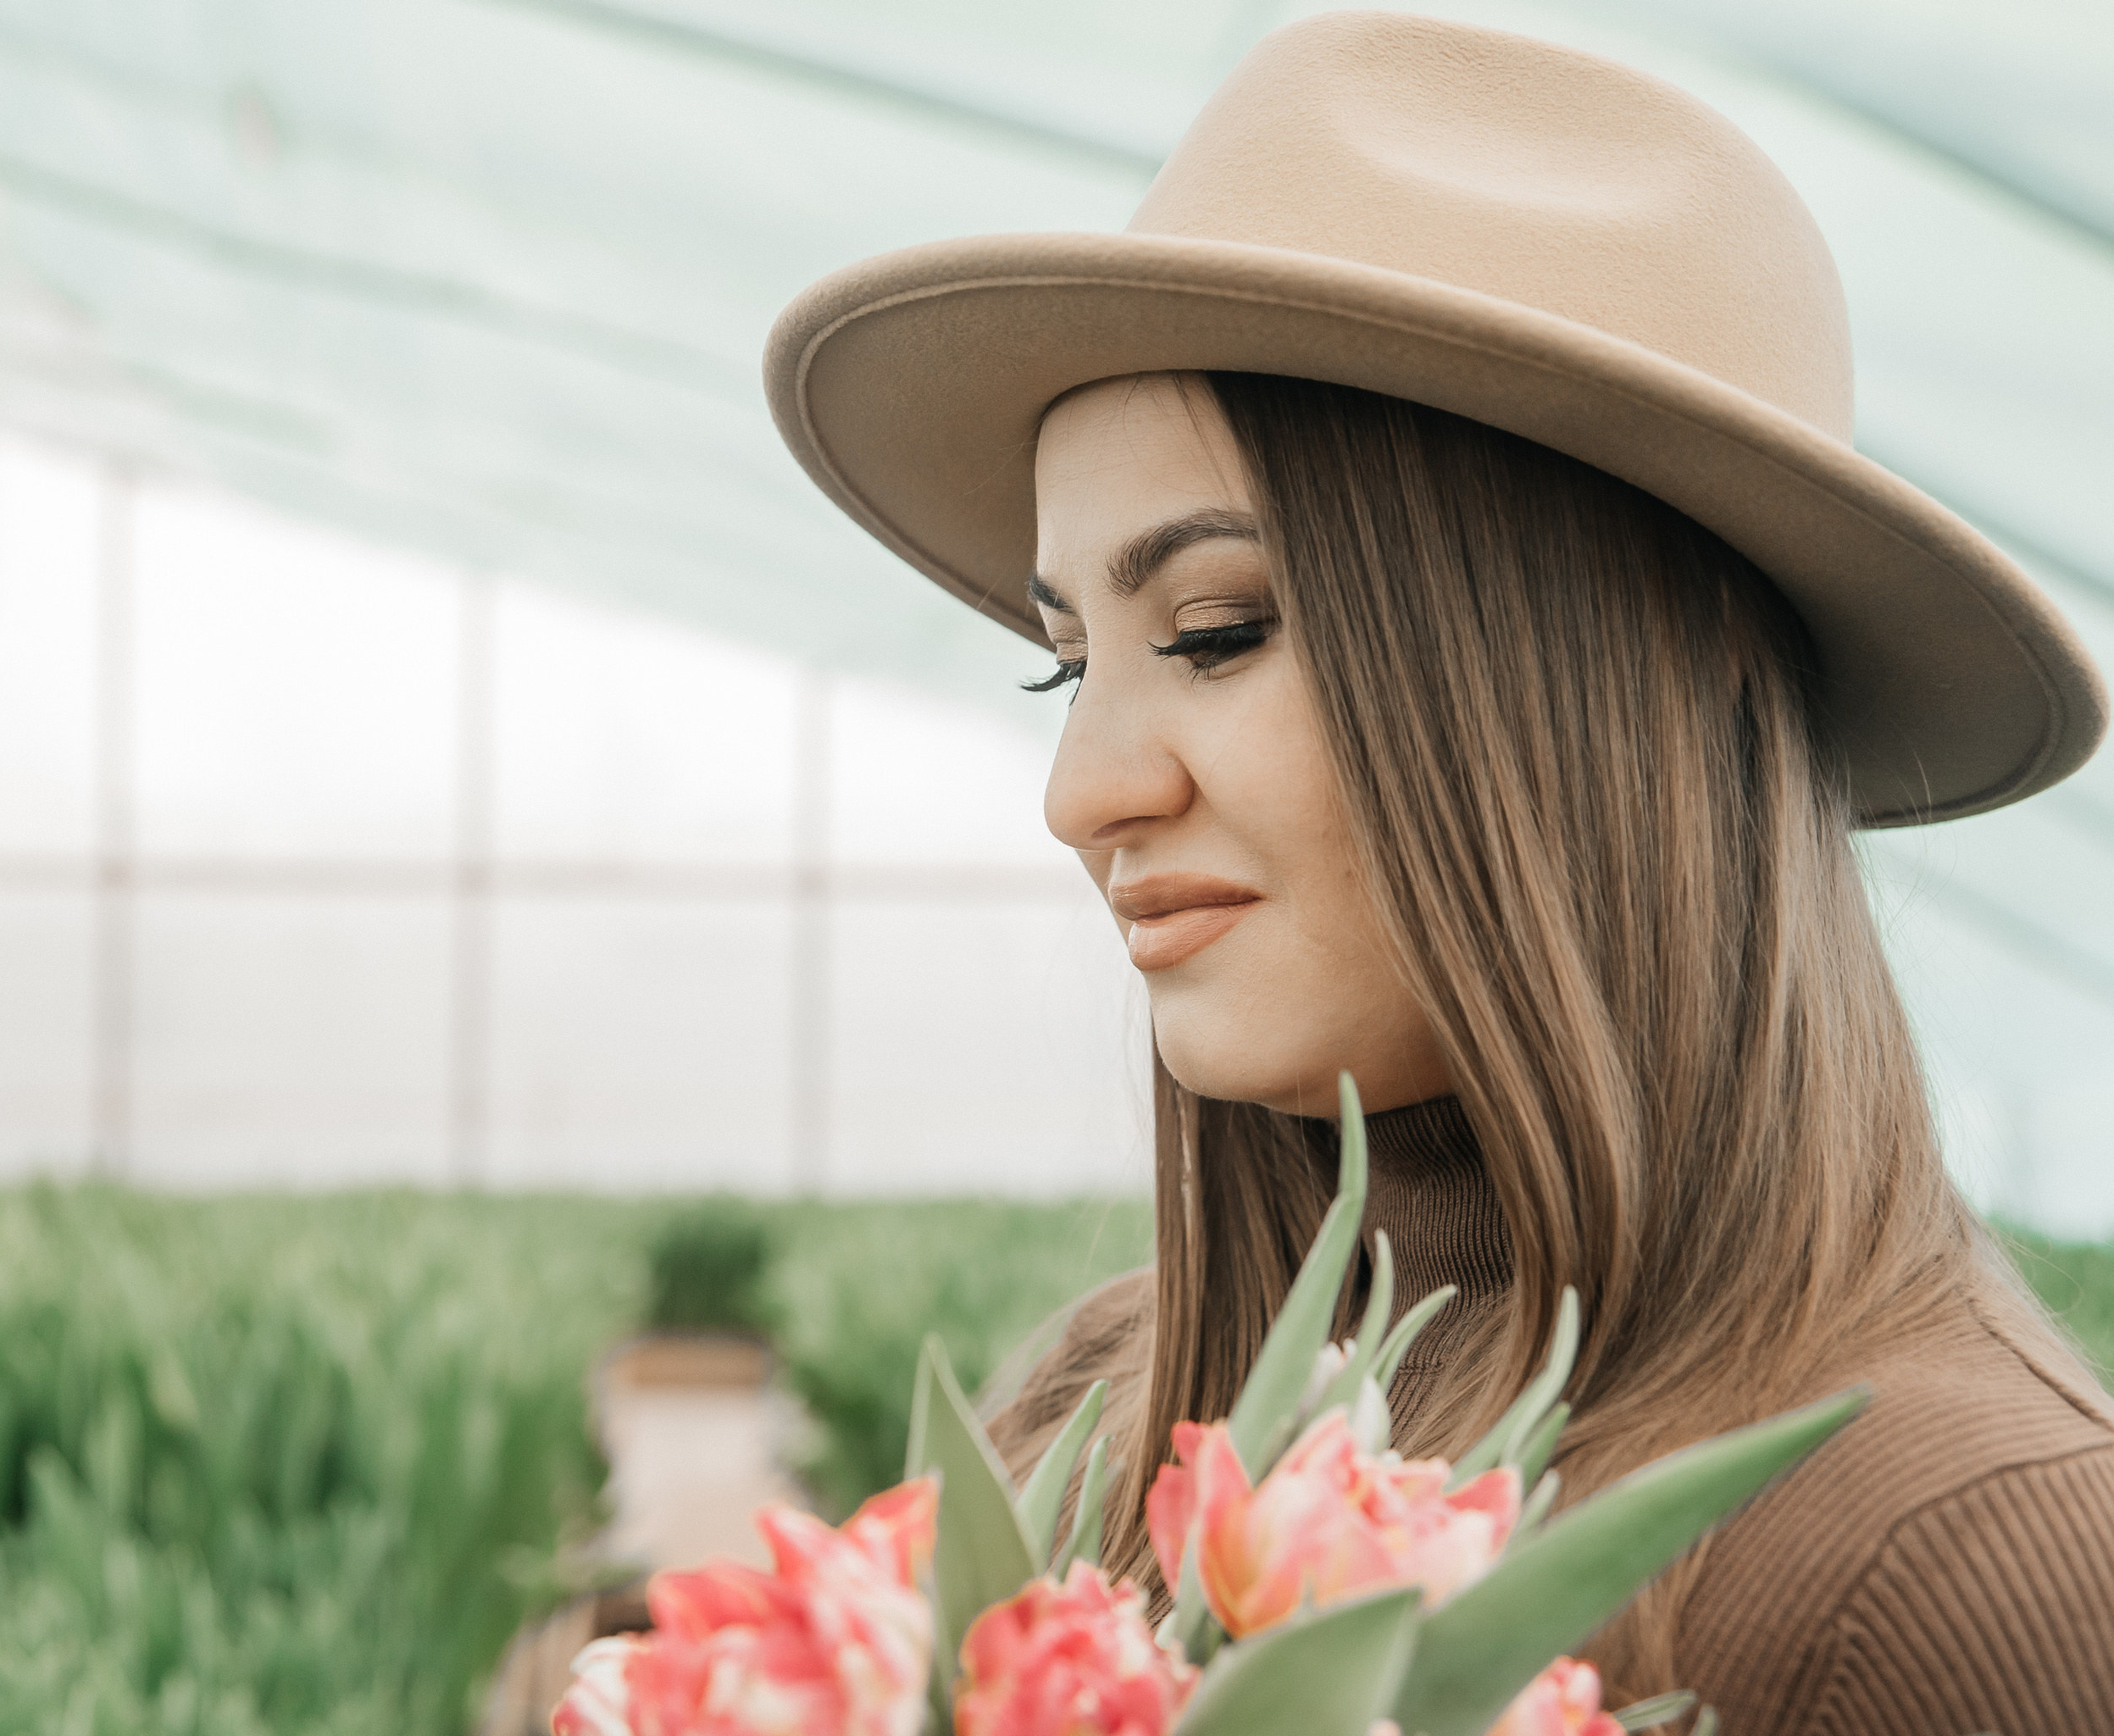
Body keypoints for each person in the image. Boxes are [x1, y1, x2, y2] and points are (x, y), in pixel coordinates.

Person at [761, 11, 2114, 1733]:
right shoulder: (1104, 1414)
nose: (1079, 788)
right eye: (1063, 659)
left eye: (1213, 626)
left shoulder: (1961, 1570)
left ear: (1625, 677)